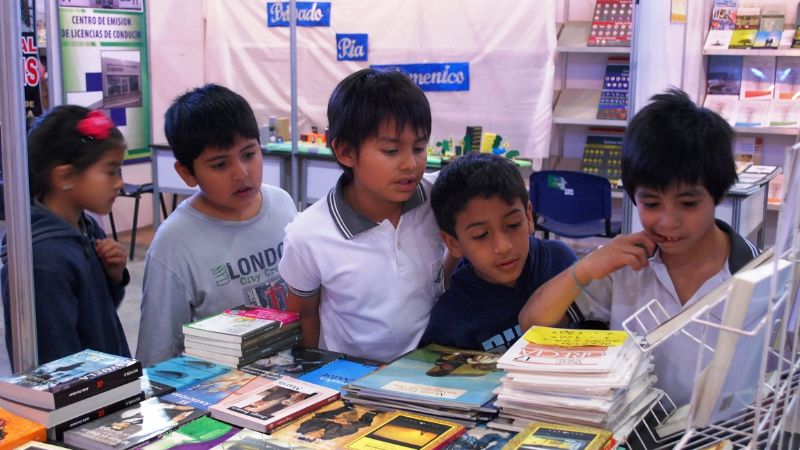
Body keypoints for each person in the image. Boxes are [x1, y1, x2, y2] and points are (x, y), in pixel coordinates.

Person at [519, 88, 760, 406]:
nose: (667, 221)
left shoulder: (756, 274)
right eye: (651, 203)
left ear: (718, 194)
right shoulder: (625, 264)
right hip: (631, 432)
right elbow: (533, 324)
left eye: (687, 203)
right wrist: (586, 268)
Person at [278, 68, 446, 363]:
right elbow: (303, 314)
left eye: (419, 147)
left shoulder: (439, 197)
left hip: (430, 375)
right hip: (353, 384)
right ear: (345, 152)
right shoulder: (309, 234)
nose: (410, 164)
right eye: (391, 150)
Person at [136, 84, 297, 366]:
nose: (241, 173)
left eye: (249, 154)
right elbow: (157, 354)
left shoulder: (282, 204)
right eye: (220, 165)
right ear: (186, 173)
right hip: (221, 392)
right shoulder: (174, 243)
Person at [1, 106, 130, 368]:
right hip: (77, 399)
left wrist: (113, 277)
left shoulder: (87, 228)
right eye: (110, 171)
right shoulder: (42, 260)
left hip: (106, 388)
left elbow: (97, 313)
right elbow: (58, 364)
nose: (119, 183)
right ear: (66, 176)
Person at [420, 153, 581, 352]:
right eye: (481, 235)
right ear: (454, 244)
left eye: (513, 225)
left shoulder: (561, 262)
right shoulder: (450, 318)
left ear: (529, 216)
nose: (503, 246)